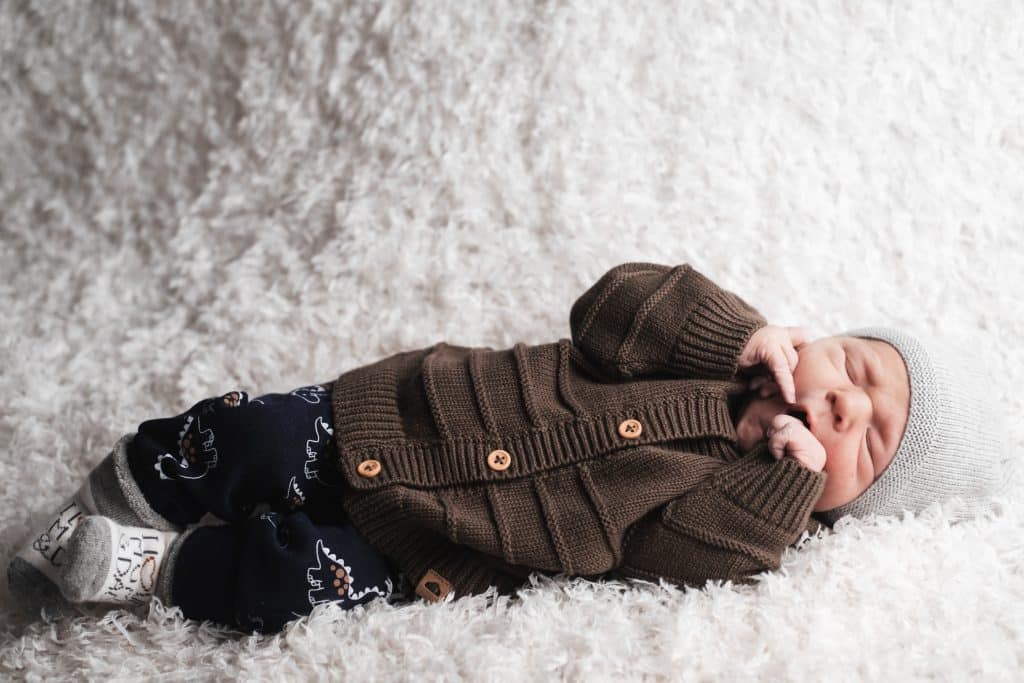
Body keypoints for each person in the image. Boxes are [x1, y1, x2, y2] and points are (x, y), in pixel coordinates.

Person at [7, 262, 1010, 633]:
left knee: (287, 581)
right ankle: (126, 489)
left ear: (850, 504)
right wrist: (731, 336)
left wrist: (775, 489)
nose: (843, 404)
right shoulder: (717, 340)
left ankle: (153, 569)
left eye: (872, 439)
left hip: (450, 546)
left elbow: (666, 557)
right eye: (853, 368)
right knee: (251, 433)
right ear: (819, 336)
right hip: (409, 415)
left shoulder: (753, 522)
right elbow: (604, 309)